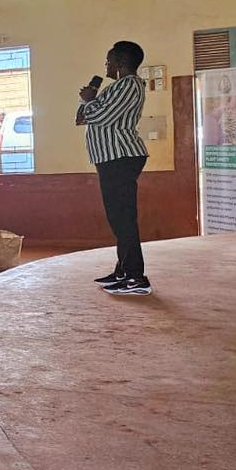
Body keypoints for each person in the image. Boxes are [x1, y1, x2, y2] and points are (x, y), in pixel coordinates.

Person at [80, 40, 152, 295]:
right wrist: (89, 102)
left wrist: (90, 100)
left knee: (123, 218)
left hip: (120, 157)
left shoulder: (129, 84)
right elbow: (83, 118)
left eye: (109, 61)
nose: (106, 66)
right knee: (118, 218)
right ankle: (123, 270)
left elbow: (99, 116)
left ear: (121, 62)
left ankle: (136, 278)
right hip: (110, 158)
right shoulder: (115, 87)